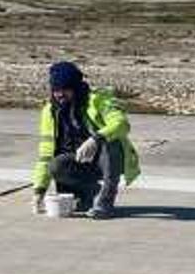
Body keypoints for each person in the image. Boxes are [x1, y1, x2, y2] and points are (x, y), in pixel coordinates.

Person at [32, 61, 140, 219]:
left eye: (65, 89)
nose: (60, 94)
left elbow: (122, 124)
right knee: (55, 165)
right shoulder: (50, 111)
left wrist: (96, 139)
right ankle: (88, 194)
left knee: (110, 142)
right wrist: (39, 190)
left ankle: (104, 203)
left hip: (104, 160)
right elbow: (46, 154)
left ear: (76, 87)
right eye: (56, 90)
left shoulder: (98, 100)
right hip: (78, 162)